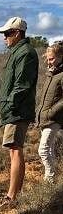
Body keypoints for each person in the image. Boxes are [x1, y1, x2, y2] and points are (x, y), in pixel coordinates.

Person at [0, 16, 39, 203]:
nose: (4, 37)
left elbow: (22, 85)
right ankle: (13, 194)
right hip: (14, 109)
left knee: (15, 150)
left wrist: (9, 105)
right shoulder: (18, 51)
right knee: (13, 149)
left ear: (17, 33)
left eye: (7, 34)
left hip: (17, 110)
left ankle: (12, 196)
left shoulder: (25, 53)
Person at [38, 41, 63, 183]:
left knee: (43, 150)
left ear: (60, 57)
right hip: (45, 118)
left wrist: (51, 112)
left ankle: (50, 179)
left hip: (54, 119)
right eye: (48, 58)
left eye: (52, 58)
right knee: (49, 150)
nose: (49, 61)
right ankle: (52, 182)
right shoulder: (51, 74)